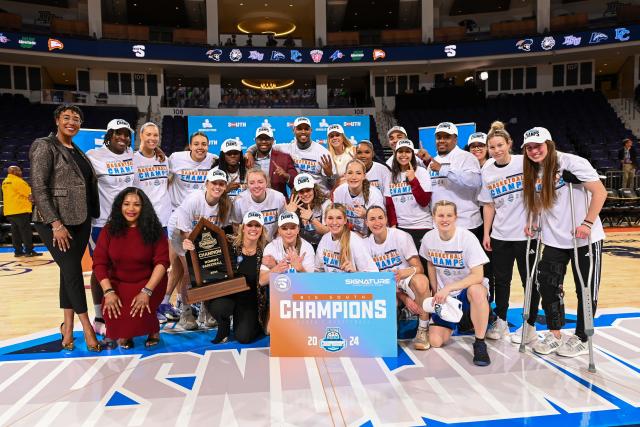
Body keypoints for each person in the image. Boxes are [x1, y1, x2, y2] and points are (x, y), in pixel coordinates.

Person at [521, 127, 606, 357]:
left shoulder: (572, 162)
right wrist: (535, 221)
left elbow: (600, 192)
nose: (533, 151)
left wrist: (587, 223)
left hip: (584, 238)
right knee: (547, 284)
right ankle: (555, 333)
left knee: (585, 289)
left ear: (549, 144)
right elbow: (540, 201)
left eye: (537, 146)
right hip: (554, 238)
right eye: (528, 148)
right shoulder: (533, 171)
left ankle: (581, 336)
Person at [29, 104, 102, 352]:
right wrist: (56, 223)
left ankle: (67, 330)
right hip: (56, 222)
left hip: (80, 220)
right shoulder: (45, 146)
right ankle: (87, 329)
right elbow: (38, 187)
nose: (72, 122)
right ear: (57, 120)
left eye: (77, 118)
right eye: (67, 117)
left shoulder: (78, 151)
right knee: (72, 272)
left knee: (66, 273)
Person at [479, 122, 540, 344]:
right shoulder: (487, 169)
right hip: (500, 235)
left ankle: (530, 325)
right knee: (502, 280)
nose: (496, 150)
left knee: (529, 280)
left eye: (500, 145)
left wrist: (534, 220)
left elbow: (537, 193)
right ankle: (502, 320)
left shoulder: (524, 162)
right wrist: (487, 233)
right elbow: (489, 205)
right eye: (492, 147)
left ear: (509, 144)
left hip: (526, 234)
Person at [93, 188, 169, 349]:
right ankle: (128, 330)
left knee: (140, 312)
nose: (131, 209)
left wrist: (147, 291)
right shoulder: (109, 230)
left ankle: (153, 330)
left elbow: (162, 263)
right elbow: (99, 263)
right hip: (119, 284)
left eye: (136, 204)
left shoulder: (155, 230)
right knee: (113, 313)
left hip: (150, 283)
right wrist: (108, 292)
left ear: (144, 207)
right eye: (126, 204)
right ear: (119, 207)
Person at [420, 200, 491, 366]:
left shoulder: (467, 238)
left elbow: (478, 275)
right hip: (446, 298)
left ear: (456, 217)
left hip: (466, 292)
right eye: (441, 215)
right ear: (434, 217)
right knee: (435, 341)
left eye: (449, 215)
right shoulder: (429, 238)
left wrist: (449, 288)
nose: (445, 219)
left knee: (477, 290)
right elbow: (430, 263)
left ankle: (480, 342)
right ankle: (462, 321)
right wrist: (435, 289)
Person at [184, 211, 266, 344]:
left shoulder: (266, 251)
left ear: (262, 229)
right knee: (219, 307)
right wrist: (190, 246)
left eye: (257, 225)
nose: (253, 229)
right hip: (228, 295)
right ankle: (224, 326)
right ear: (243, 227)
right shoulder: (228, 244)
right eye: (250, 225)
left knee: (244, 337)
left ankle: (253, 322)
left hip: (250, 300)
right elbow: (204, 250)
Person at [86, 119, 135, 337]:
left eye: (126, 134)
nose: (122, 137)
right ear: (109, 135)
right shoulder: (93, 156)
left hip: (127, 225)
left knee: (124, 269)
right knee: (100, 270)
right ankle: (98, 316)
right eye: (118, 133)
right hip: (101, 224)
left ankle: (119, 311)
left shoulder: (132, 154)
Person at [168, 168, 232, 330]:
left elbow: (220, 231)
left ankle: (207, 310)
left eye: (221, 184)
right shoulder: (194, 200)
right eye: (214, 183)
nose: (217, 187)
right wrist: (195, 250)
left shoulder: (226, 204)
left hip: (204, 237)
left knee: (211, 269)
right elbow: (184, 231)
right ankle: (186, 312)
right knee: (190, 272)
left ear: (225, 186)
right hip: (180, 232)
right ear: (206, 184)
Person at [166, 131, 218, 321]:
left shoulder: (214, 160)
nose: (200, 147)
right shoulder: (175, 158)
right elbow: (164, 178)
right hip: (179, 219)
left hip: (202, 220)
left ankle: (179, 301)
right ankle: (176, 305)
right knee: (183, 266)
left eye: (204, 144)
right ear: (189, 145)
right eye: (196, 144)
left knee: (187, 268)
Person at [365, 206, 430, 350]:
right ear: (366, 223)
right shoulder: (365, 245)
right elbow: (374, 280)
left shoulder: (401, 236)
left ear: (386, 219)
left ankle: (423, 329)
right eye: (372, 219)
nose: (377, 222)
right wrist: (404, 298)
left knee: (421, 281)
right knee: (389, 299)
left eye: (380, 218)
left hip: (405, 280)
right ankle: (387, 335)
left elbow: (419, 268)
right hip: (385, 286)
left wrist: (405, 272)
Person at [133, 122, 176, 323]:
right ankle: (146, 305)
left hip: (165, 219)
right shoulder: (132, 159)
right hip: (144, 221)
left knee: (162, 265)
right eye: (148, 134)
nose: (152, 138)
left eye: (156, 135)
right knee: (145, 265)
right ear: (140, 136)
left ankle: (159, 304)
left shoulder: (164, 159)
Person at [246, 117, 336, 195]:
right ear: (294, 131)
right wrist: (249, 152)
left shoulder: (323, 153)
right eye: (299, 128)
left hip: (320, 197)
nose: (303, 132)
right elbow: (265, 145)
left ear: (311, 131)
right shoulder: (288, 148)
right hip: (300, 196)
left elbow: (332, 185)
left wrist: (329, 175)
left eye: (306, 129)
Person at [259, 212, 316, 332]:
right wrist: (277, 269)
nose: (289, 232)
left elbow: (311, 286)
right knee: (268, 331)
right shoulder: (271, 247)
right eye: (284, 228)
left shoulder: (307, 248)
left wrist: (300, 269)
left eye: (292, 227)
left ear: (298, 229)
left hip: (300, 295)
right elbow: (262, 281)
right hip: (278, 295)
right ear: (279, 230)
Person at [427, 122, 483, 240]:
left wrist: (443, 170)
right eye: (439, 137)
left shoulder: (467, 157)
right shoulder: (433, 162)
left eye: (446, 137)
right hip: (440, 225)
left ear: (455, 139)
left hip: (465, 224)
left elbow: (475, 181)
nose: (441, 140)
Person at [389, 139, 432, 250]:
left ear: (412, 154)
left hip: (422, 226)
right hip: (401, 228)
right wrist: (393, 226)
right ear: (395, 154)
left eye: (407, 151)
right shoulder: (391, 176)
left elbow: (424, 201)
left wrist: (413, 180)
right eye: (400, 151)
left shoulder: (422, 172)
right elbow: (390, 205)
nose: (403, 155)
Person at [314, 203, 378, 272]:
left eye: (339, 218)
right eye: (330, 218)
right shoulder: (325, 239)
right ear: (325, 220)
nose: (334, 222)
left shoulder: (354, 241)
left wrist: (355, 273)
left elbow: (373, 272)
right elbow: (318, 269)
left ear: (345, 220)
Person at [332, 159, 385, 237]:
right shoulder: (339, 192)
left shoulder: (374, 194)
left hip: (371, 236)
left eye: (358, 173)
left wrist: (366, 215)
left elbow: (381, 223)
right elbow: (337, 219)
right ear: (345, 175)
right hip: (348, 234)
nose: (354, 177)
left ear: (364, 176)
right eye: (350, 173)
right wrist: (351, 232)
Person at [231, 168, 286, 238]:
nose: (256, 186)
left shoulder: (278, 197)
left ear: (266, 182)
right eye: (252, 183)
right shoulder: (239, 200)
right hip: (250, 241)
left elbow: (283, 224)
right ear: (247, 185)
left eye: (260, 182)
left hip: (273, 242)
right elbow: (236, 225)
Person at [2, 165, 40, 257]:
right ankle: (29, 251)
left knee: (15, 233)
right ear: (15, 172)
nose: (21, 172)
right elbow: (30, 194)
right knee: (25, 232)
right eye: (19, 170)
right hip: (20, 210)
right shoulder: (18, 181)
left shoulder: (5, 182)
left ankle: (18, 251)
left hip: (10, 211)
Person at [285, 173, 330, 249]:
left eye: (308, 190)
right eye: (301, 191)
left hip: (324, 246)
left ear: (314, 189)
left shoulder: (326, 204)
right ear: (296, 193)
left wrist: (312, 219)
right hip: (302, 247)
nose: (305, 194)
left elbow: (329, 232)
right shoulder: (292, 206)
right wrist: (290, 214)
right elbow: (287, 234)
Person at [251, 126, 297, 197]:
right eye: (260, 139)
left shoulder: (284, 158)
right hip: (254, 204)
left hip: (278, 204)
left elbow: (296, 183)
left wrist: (286, 176)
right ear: (255, 140)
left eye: (267, 139)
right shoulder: (249, 159)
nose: (263, 142)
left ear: (272, 141)